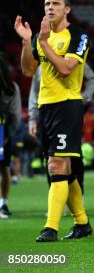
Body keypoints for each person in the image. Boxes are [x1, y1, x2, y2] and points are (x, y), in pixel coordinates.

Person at [14, 0, 92, 242]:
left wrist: (44, 42)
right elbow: (28, 70)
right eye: (47, 3)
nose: (50, 8)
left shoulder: (78, 36)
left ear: (67, 9)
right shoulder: (40, 37)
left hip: (66, 105)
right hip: (46, 106)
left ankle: (51, 227)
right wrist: (28, 42)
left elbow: (67, 69)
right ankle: (82, 222)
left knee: (55, 166)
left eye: (56, 4)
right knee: (64, 171)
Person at [28, 61, 94, 204]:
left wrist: (85, 98)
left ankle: (77, 199)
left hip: (69, 111)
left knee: (73, 157)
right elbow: (34, 93)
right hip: (46, 113)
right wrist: (33, 118)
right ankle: (58, 200)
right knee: (50, 158)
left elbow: (91, 78)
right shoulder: (41, 65)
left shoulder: (73, 58)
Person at [0, 55, 21, 219]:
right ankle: (2, 203)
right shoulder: (11, 88)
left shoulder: (11, 89)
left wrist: (7, 135)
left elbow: (15, 116)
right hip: (4, 131)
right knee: (4, 168)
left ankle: (2, 203)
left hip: (3, 132)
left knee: (4, 167)